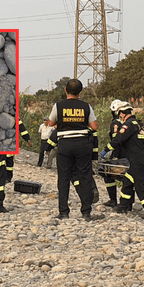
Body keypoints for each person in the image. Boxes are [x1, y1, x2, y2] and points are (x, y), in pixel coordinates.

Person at [48, 78, 103, 221]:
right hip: (82, 144)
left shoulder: (58, 106)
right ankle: (86, 212)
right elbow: (95, 126)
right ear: (80, 92)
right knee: (84, 176)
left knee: (64, 179)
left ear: (65, 90)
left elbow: (51, 122)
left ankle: (64, 212)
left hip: (64, 144)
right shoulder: (86, 106)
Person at [100, 103, 144, 221]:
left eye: (120, 114)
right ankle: (123, 206)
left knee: (140, 186)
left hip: (137, 159)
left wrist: (106, 150)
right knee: (128, 180)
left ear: (122, 114)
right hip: (143, 157)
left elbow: (118, 139)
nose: (119, 117)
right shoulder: (139, 125)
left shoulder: (128, 125)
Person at [101, 100, 128, 208]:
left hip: (119, 153)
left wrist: (114, 155)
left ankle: (114, 200)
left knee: (108, 174)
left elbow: (116, 141)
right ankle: (127, 202)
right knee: (128, 177)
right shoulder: (126, 122)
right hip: (128, 154)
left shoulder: (115, 124)